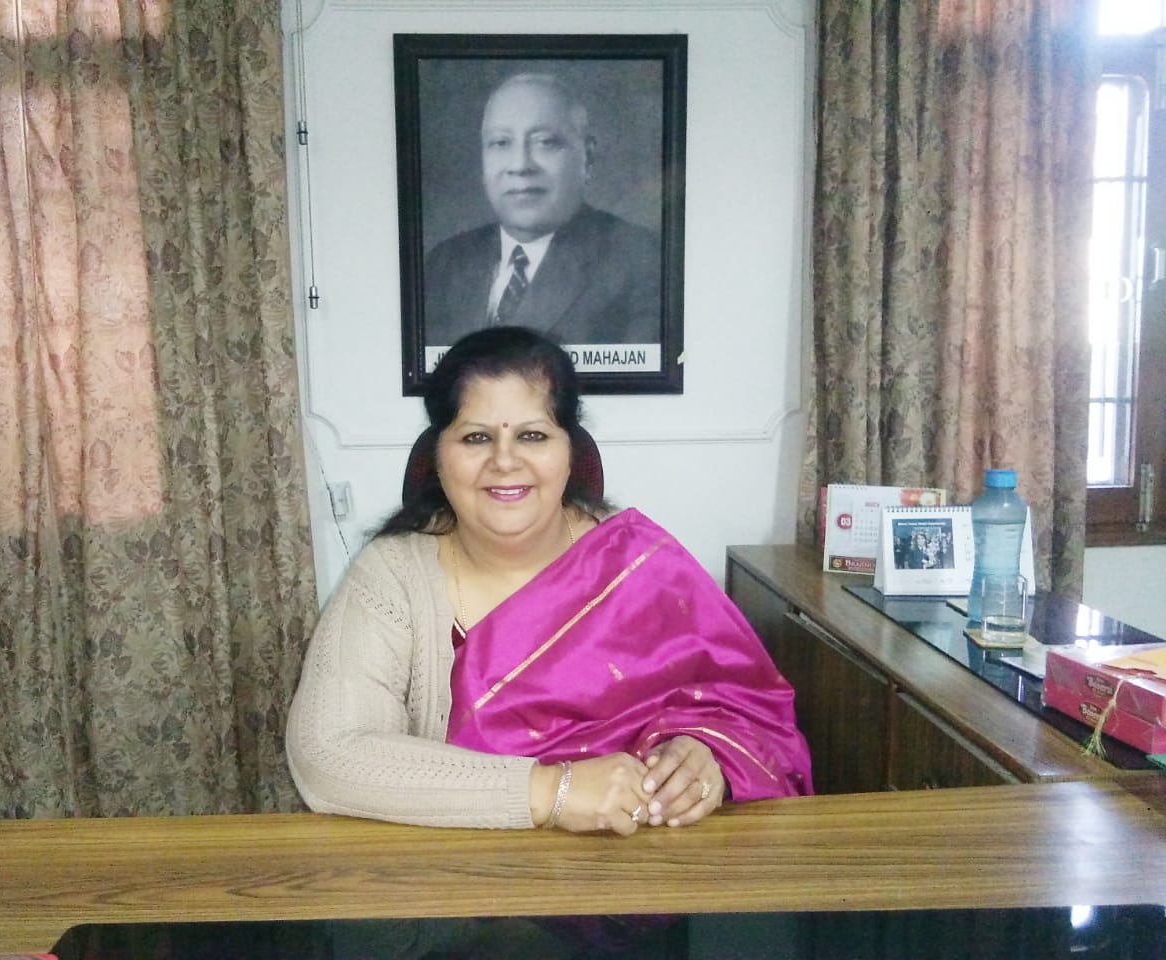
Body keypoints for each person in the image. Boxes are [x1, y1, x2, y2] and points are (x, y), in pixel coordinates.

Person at [285, 326, 811, 837]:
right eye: (476, 437)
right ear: (438, 458)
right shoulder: (392, 578)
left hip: (647, 861)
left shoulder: (638, 563)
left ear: (569, 453)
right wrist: (551, 791)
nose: (505, 461)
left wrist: (708, 757)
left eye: (532, 435)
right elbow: (329, 753)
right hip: (466, 871)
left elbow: (755, 719)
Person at [423, 73, 662, 346]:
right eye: (501, 143)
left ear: (588, 157)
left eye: (545, 142)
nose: (520, 165)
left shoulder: (641, 261)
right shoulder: (444, 264)